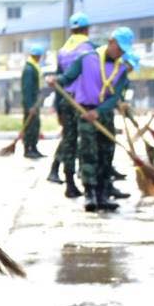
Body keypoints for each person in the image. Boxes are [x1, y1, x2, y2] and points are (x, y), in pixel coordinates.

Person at [51, 27, 134, 213]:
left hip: (104, 114)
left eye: (123, 50)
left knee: (106, 152)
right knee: (88, 153)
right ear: (111, 41)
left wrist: (100, 111)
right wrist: (55, 80)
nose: (119, 52)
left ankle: (103, 194)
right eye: (118, 47)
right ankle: (90, 194)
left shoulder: (121, 68)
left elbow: (115, 96)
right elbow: (68, 77)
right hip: (85, 112)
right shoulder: (87, 58)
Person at [49, 13, 92, 197]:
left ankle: (70, 183)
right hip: (82, 101)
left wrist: (57, 104)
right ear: (86, 28)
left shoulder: (62, 51)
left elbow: (59, 80)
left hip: (66, 99)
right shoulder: (89, 48)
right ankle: (90, 183)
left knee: (69, 141)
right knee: (88, 142)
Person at [21, 42, 48, 159]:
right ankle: (28, 149)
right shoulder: (29, 69)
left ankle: (34, 147)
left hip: (35, 102)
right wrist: (30, 106)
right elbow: (27, 89)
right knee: (30, 127)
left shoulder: (34, 67)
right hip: (31, 103)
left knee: (35, 126)